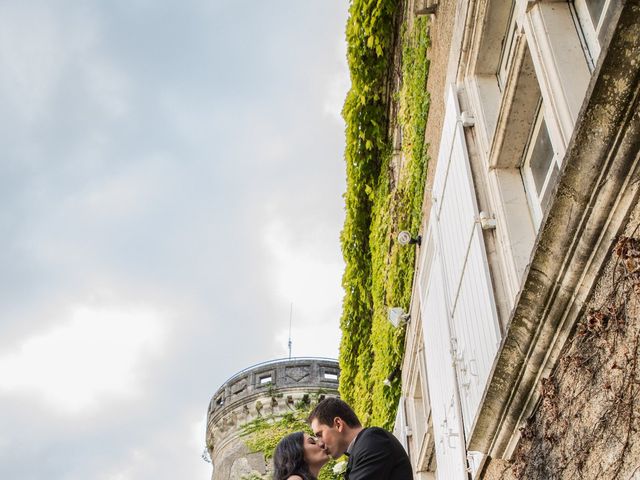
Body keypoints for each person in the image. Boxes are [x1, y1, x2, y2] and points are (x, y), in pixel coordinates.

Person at [308, 398, 413, 480]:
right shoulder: (361, 448)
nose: (320, 444)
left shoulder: (373, 440)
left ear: (338, 424)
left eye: (320, 434)